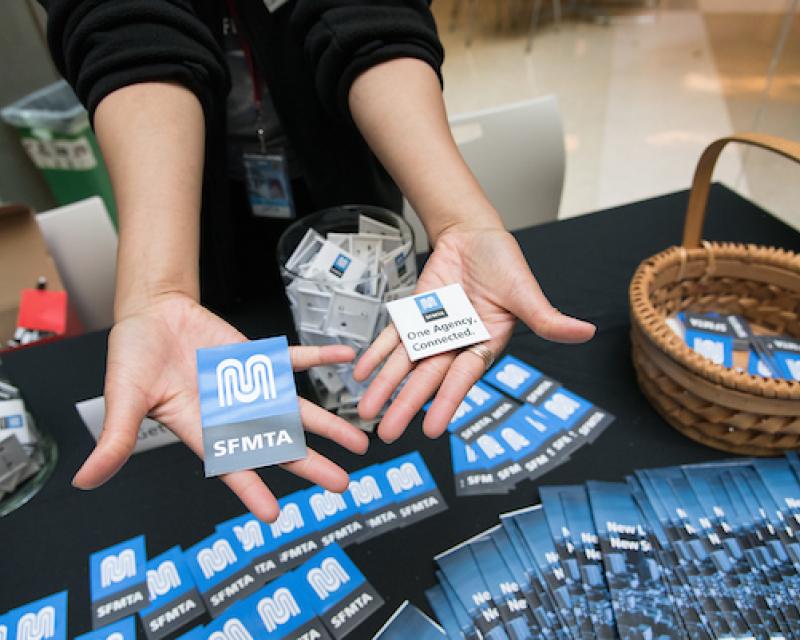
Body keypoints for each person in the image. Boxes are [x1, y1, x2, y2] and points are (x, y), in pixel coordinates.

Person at [41, 0, 595, 522]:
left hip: (341, 158)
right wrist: (157, 289)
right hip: (196, 200)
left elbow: (372, 13)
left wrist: (461, 220)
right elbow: (123, 25)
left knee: (360, 340)